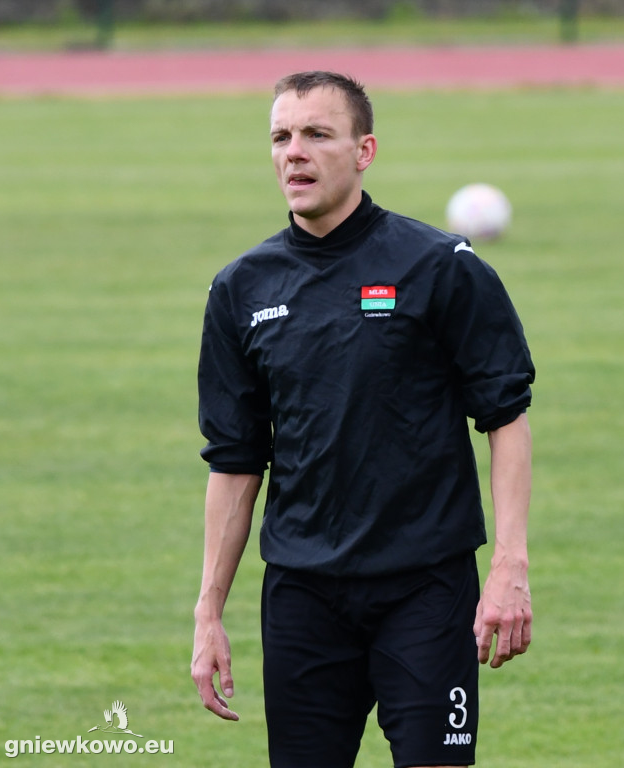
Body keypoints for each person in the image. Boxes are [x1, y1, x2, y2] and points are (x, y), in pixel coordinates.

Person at [191, 71, 535, 768]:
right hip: (302, 593)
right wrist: (208, 611)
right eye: (281, 137)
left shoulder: (439, 266)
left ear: (364, 150)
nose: (295, 152)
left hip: (425, 586)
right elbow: (235, 461)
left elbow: (506, 419)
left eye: (317, 134)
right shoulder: (241, 289)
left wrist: (509, 564)